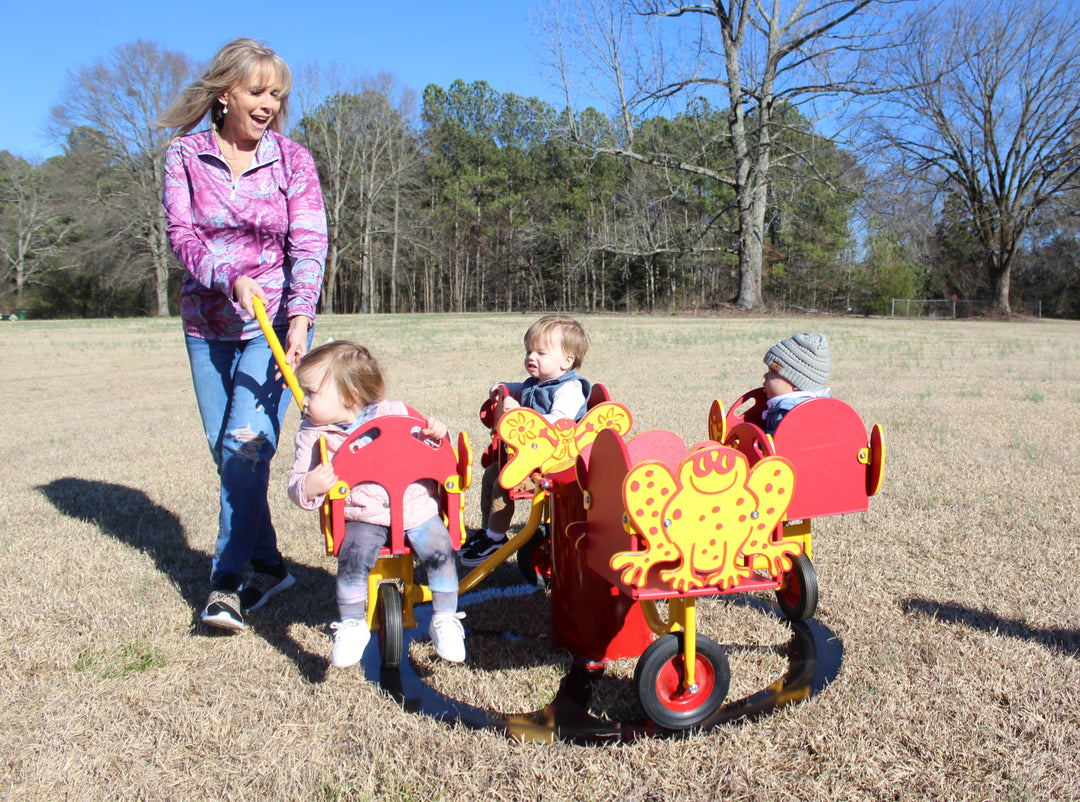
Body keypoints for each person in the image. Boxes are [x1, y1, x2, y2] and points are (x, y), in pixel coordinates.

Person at [159, 38, 328, 632]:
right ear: (224, 92)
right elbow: (182, 235)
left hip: (274, 324)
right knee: (227, 451)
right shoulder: (184, 156)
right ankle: (270, 563)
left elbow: (308, 243)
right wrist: (228, 278)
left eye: (276, 94)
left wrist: (301, 318)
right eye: (257, 91)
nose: (268, 103)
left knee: (245, 447)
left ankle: (225, 585)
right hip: (208, 323)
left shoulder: (292, 159)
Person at [287, 341, 466, 666]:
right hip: (360, 515)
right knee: (352, 557)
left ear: (350, 395)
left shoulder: (394, 413)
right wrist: (312, 484)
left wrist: (438, 434)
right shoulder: (313, 435)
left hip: (414, 507)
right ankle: (353, 624)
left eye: (312, 392)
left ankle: (445, 618)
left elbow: (434, 450)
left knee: (441, 551)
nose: (303, 400)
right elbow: (297, 485)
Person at [458, 314, 591, 567]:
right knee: (491, 474)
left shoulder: (569, 389)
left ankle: (496, 538)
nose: (531, 357)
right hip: (533, 457)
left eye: (541, 353)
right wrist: (503, 389)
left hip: (556, 463)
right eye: (529, 351)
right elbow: (522, 388)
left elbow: (556, 422)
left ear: (566, 361)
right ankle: (490, 531)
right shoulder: (538, 382)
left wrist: (519, 411)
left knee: (503, 482)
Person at [761, 332, 832, 434]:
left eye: (773, 372)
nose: (765, 376)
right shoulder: (827, 408)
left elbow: (777, 444)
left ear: (796, 383)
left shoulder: (786, 412)